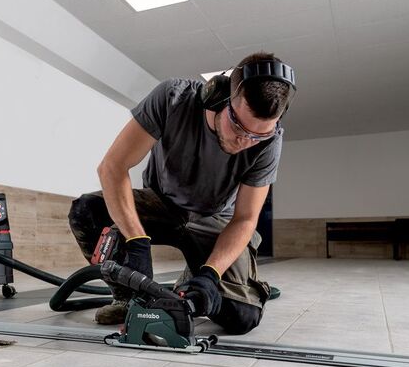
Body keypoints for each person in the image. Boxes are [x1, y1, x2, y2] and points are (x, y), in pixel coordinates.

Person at [68, 50, 296, 335]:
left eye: (258, 135)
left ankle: (192, 284)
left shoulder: (270, 142)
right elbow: (112, 167)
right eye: (238, 126)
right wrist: (136, 241)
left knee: (242, 316)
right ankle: (127, 298)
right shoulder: (173, 99)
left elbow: (246, 219)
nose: (245, 142)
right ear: (220, 96)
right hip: (161, 204)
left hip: (216, 219)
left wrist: (210, 275)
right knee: (87, 212)